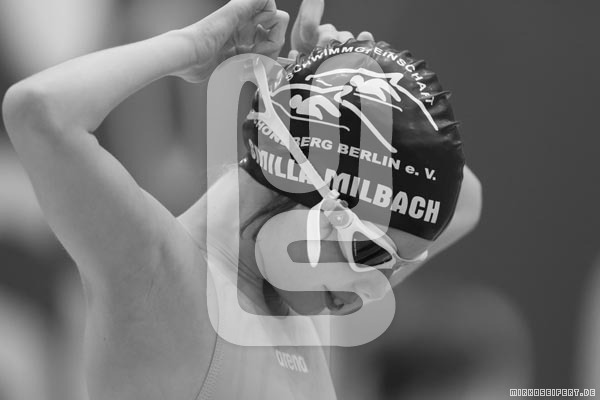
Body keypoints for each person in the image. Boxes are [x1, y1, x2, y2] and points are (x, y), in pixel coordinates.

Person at [2, 0, 482, 399]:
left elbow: (465, 202)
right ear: (308, 190)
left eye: (393, 267)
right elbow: (39, 112)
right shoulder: (165, 283)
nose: (368, 294)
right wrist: (191, 48)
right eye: (372, 253)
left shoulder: (302, 302)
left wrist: (361, 85)